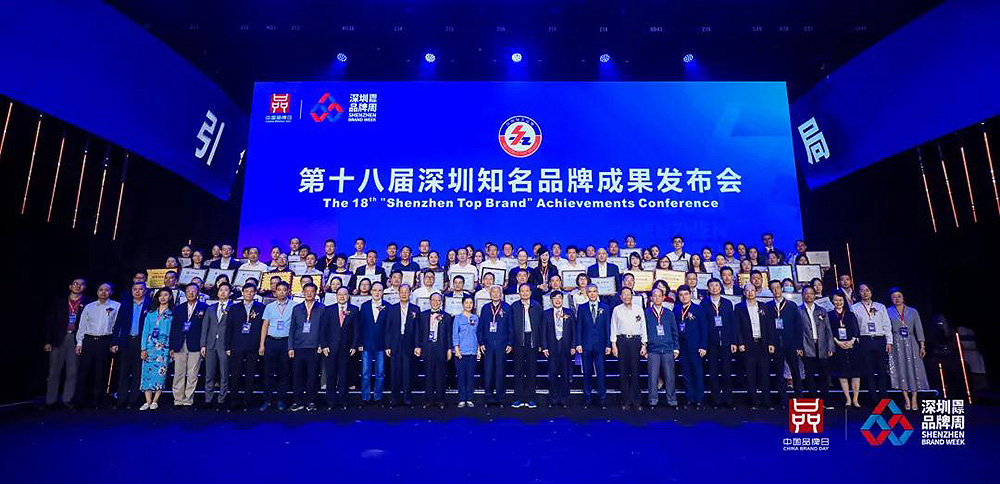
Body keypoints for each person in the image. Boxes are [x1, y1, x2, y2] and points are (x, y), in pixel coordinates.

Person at [74, 283, 121, 408]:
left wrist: (114, 342)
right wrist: (79, 342)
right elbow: (82, 325)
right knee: (84, 371)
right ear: (97, 292)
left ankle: (98, 401)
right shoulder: (89, 307)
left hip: (104, 340)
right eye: (101, 289)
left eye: (107, 290)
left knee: (101, 371)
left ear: (111, 292)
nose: (103, 292)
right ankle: (79, 401)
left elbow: (117, 326)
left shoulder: (116, 306)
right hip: (89, 340)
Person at [887, 288, 929, 410]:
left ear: (903, 297)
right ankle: (906, 398)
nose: (897, 299)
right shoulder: (888, 311)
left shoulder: (913, 311)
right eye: (894, 297)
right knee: (901, 369)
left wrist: (922, 345)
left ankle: (914, 397)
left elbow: (919, 329)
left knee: (914, 368)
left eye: (899, 296)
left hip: (911, 342)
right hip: (896, 343)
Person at [851, 283, 892, 405]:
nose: (865, 293)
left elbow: (886, 324)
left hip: (880, 339)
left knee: (882, 370)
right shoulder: (854, 308)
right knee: (868, 370)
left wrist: (889, 341)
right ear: (859, 293)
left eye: (867, 290)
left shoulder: (880, 306)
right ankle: (873, 398)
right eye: (862, 290)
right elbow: (854, 326)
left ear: (871, 292)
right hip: (864, 340)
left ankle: (884, 397)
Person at [226, 284, 266, 410]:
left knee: (250, 375)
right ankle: (234, 400)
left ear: (255, 293)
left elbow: (263, 327)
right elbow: (229, 328)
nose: (249, 293)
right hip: (236, 345)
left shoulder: (261, 307)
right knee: (235, 375)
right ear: (242, 292)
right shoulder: (234, 308)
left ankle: (247, 401)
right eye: (246, 291)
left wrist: (261, 345)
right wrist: (227, 347)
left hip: (253, 345)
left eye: (251, 291)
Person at [736, 283, 774, 409]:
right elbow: (737, 327)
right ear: (744, 293)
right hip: (748, 344)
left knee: (765, 374)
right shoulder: (739, 308)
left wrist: (771, 342)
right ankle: (754, 402)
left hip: (762, 344)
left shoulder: (764, 306)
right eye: (747, 291)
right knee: (750, 374)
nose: (750, 293)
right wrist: (740, 343)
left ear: (756, 292)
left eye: (752, 290)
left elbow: (769, 326)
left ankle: (767, 402)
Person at [111, 281, 148, 409]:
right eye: (135, 289)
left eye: (140, 289)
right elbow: (118, 324)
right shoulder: (125, 304)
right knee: (123, 372)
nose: (137, 291)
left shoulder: (149, 305)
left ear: (145, 291)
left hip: (140, 342)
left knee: (137, 372)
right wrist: (114, 342)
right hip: (126, 341)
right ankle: (121, 400)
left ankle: (133, 400)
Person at [288, 283, 324, 412]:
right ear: (303, 292)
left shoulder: (322, 308)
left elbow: (324, 329)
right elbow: (292, 328)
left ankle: (310, 401)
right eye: (306, 291)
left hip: (314, 347)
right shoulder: (297, 308)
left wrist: (321, 344)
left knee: (312, 376)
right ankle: (298, 402)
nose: (309, 293)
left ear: (316, 292)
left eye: (312, 291)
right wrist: (290, 347)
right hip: (298, 347)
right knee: (297, 376)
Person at [169, 284, 207, 407]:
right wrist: (172, 346)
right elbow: (173, 328)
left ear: (198, 293)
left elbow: (206, 328)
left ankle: (188, 399)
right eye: (188, 291)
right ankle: (178, 399)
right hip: (179, 343)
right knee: (178, 372)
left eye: (193, 291)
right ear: (185, 293)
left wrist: (203, 345)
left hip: (196, 344)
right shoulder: (178, 308)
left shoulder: (204, 307)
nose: (191, 293)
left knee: (192, 374)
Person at [320, 286, 358, 409]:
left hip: (347, 349)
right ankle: (330, 402)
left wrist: (354, 345)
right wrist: (324, 345)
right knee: (331, 375)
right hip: (330, 349)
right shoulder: (328, 309)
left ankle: (343, 402)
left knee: (344, 375)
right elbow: (323, 329)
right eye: (340, 294)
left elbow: (357, 330)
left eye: (345, 294)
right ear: (336, 296)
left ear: (348, 296)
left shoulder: (354, 310)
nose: (342, 296)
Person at [767, 279, 803, 407]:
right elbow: (768, 327)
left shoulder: (791, 305)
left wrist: (799, 345)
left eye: (778, 287)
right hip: (776, 344)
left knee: (795, 371)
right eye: (773, 288)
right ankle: (783, 399)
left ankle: (799, 397)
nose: (776, 290)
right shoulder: (768, 306)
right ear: (770, 290)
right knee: (779, 372)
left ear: (782, 288)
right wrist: (770, 343)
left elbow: (798, 326)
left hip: (791, 343)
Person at [575, 283, 611, 408]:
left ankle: (602, 399)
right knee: (587, 374)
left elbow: (607, 327)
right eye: (589, 291)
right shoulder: (582, 307)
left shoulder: (605, 308)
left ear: (598, 292)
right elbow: (579, 326)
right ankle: (587, 398)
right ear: (586, 293)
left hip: (601, 346)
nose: (592, 294)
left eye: (594, 291)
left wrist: (608, 344)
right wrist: (578, 343)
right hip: (586, 345)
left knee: (601, 373)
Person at [611, 287, 647, 410]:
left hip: (635, 341)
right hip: (622, 341)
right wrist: (614, 345)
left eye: (628, 294)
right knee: (623, 372)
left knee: (636, 371)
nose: (626, 296)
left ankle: (636, 400)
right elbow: (613, 328)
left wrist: (644, 344)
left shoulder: (638, 309)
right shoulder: (617, 310)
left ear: (632, 295)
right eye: (624, 294)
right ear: (620, 297)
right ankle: (626, 400)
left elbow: (643, 327)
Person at [703, 278, 738, 408]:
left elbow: (732, 324)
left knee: (726, 372)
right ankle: (716, 400)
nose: (714, 288)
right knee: (713, 372)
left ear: (720, 287)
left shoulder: (728, 303)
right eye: (711, 286)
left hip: (726, 342)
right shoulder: (704, 304)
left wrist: (733, 341)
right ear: (708, 288)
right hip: (711, 343)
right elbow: (703, 325)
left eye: (716, 285)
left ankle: (728, 400)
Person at [260, 281, 293, 411]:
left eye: (284, 289)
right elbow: (265, 326)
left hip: (286, 342)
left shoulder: (294, 306)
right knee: (268, 372)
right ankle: (267, 400)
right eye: (279, 289)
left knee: (283, 372)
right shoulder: (269, 307)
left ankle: (281, 400)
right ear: (275, 292)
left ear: (288, 291)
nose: (282, 292)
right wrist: (262, 345)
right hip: (271, 341)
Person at [385, 284, 420, 407]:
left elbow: (417, 329)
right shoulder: (392, 308)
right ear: (398, 293)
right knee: (395, 371)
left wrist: (417, 345)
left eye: (406, 292)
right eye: (402, 292)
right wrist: (387, 346)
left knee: (407, 371)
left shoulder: (415, 309)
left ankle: (407, 397)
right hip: (395, 343)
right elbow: (388, 328)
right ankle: (394, 398)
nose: (404, 294)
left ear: (410, 293)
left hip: (409, 343)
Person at [478, 285, 513, 406]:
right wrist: (481, 342)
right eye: (493, 292)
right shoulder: (485, 308)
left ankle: (500, 397)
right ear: (490, 294)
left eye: (498, 292)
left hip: (502, 345)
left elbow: (511, 327)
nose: (495, 294)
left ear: (501, 294)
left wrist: (510, 343)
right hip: (487, 345)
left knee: (500, 371)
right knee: (488, 371)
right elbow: (481, 327)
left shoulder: (507, 307)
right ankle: (488, 397)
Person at [799, 286, 834, 403]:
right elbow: (796, 330)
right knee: (810, 375)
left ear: (815, 295)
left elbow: (828, 329)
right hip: (807, 346)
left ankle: (826, 400)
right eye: (806, 293)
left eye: (811, 293)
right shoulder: (799, 310)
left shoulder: (822, 310)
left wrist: (830, 346)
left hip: (822, 345)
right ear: (802, 295)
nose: (809, 295)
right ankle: (813, 400)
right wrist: (798, 347)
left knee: (824, 374)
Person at [673, 285, 707, 408]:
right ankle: (690, 398)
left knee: (697, 374)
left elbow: (704, 328)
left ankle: (699, 400)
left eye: (686, 294)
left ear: (690, 294)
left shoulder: (698, 309)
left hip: (696, 347)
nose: (684, 297)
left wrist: (703, 346)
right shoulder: (676, 309)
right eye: (681, 295)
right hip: (682, 347)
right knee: (686, 374)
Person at [510, 283, 543, 408]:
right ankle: (518, 398)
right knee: (518, 370)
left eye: (527, 291)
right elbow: (510, 326)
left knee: (531, 370)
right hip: (518, 341)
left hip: (532, 340)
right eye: (522, 291)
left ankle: (531, 398)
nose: (525, 293)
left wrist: (540, 343)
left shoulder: (537, 306)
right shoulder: (514, 306)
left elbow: (541, 326)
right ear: (519, 293)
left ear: (530, 292)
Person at [139, 288, 173, 410]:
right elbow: (145, 331)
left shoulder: (172, 314)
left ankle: (155, 400)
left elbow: (172, 333)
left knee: (160, 374)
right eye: (160, 295)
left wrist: (171, 348)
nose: (163, 297)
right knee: (146, 373)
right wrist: (143, 348)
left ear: (170, 297)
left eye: (165, 295)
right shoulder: (151, 313)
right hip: (149, 347)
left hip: (164, 348)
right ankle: (147, 401)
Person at [644, 288, 679, 408]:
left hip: (668, 349)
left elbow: (674, 331)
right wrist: (645, 347)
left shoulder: (669, 313)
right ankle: (653, 400)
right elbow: (643, 331)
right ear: (651, 298)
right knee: (652, 377)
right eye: (655, 296)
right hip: (653, 350)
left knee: (670, 377)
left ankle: (672, 400)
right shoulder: (646, 313)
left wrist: (676, 348)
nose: (657, 298)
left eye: (659, 296)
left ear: (664, 298)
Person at [417, 292, 453, 408]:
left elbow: (449, 334)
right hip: (427, 348)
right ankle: (428, 400)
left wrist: (449, 349)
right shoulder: (423, 315)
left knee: (440, 375)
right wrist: (418, 346)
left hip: (441, 347)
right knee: (428, 375)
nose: (436, 302)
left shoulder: (447, 316)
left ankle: (440, 400)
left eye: (438, 300)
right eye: (433, 300)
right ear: (430, 301)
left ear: (441, 302)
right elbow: (419, 332)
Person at [541, 291, 575, 407]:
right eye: (554, 298)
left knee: (565, 374)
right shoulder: (546, 313)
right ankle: (553, 398)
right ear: (551, 301)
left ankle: (564, 399)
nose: (557, 300)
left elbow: (574, 330)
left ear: (562, 299)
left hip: (566, 347)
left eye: (559, 298)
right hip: (552, 347)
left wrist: (573, 346)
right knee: (552, 374)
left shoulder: (569, 313)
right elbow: (543, 332)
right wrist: (544, 347)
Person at [201, 282, 232, 408]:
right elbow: (205, 327)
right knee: (209, 373)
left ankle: (221, 399)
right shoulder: (211, 308)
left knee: (224, 374)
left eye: (226, 290)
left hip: (224, 345)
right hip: (210, 344)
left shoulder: (233, 308)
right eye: (221, 290)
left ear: (230, 293)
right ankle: (208, 399)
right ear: (217, 293)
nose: (223, 292)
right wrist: (203, 345)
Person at [358, 282, 389, 405]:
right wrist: (360, 343)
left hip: (381, 345)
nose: (377, 292)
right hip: (366, 344)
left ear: (383, 292)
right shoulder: (364, 306)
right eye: (375, 290)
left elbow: (389, 328)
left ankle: (378, 396)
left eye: (379, 290)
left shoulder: (388, 306)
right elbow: (360, 326)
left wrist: (387, 345)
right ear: (371, 292)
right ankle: (365, 397)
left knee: (380, 373)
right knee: (365, 373)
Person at [830, 291, 861, 407]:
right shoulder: (829, 315)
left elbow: (856, 329)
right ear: (832, 301)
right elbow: (829, 331)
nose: (838, 302)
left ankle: (855, 399)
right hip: (838, 346)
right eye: (836, 300)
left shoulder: (850, 314)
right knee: (842, 374)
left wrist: (852, 341)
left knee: (855, 374)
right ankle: (848, 399)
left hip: (852, 346)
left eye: (841, 300)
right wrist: (838, 342)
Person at [453, 295, 481, 408]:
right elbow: (455, 335)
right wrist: (457, 350)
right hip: (461, 352)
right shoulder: (458, 318)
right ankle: (461, 398)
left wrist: (478, 350)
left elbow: (478, 335)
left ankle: (469, 398)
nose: (468, 305)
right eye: (466, 303)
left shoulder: (476, 318)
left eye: (471, 303)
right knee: (461, 377)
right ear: (462, 304)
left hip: (472, 352)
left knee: (470, 377)